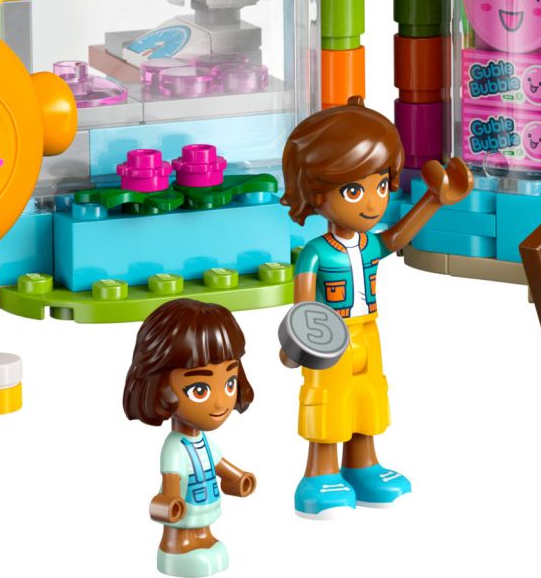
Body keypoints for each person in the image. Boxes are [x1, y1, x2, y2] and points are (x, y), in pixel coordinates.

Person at [281, 97, 472, 518]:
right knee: (328, 402)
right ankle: (319, 476)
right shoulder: (315, 253)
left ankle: (363, 466)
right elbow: (302, 307)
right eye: (354, 190)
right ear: (316, 191)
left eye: (381, 185)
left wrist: (435, 199)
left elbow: (398, 237)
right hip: (328, 338)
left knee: (368, 397)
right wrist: (296, 346)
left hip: (369, 332)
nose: (373, 203)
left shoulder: (370, 244)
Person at [123, 299, 257, 577]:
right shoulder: (175, 447)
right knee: (183, 531)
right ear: (161, 387)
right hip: (184, 507)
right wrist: (171, 500)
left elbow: (219, 464)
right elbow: (172, 478)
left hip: (204, 501)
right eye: (200, 390)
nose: (220, 402)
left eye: (229, 383)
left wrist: (238, 477)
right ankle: (175, 548)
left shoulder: (203, 441)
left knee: (206, 535)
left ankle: (203, 538)